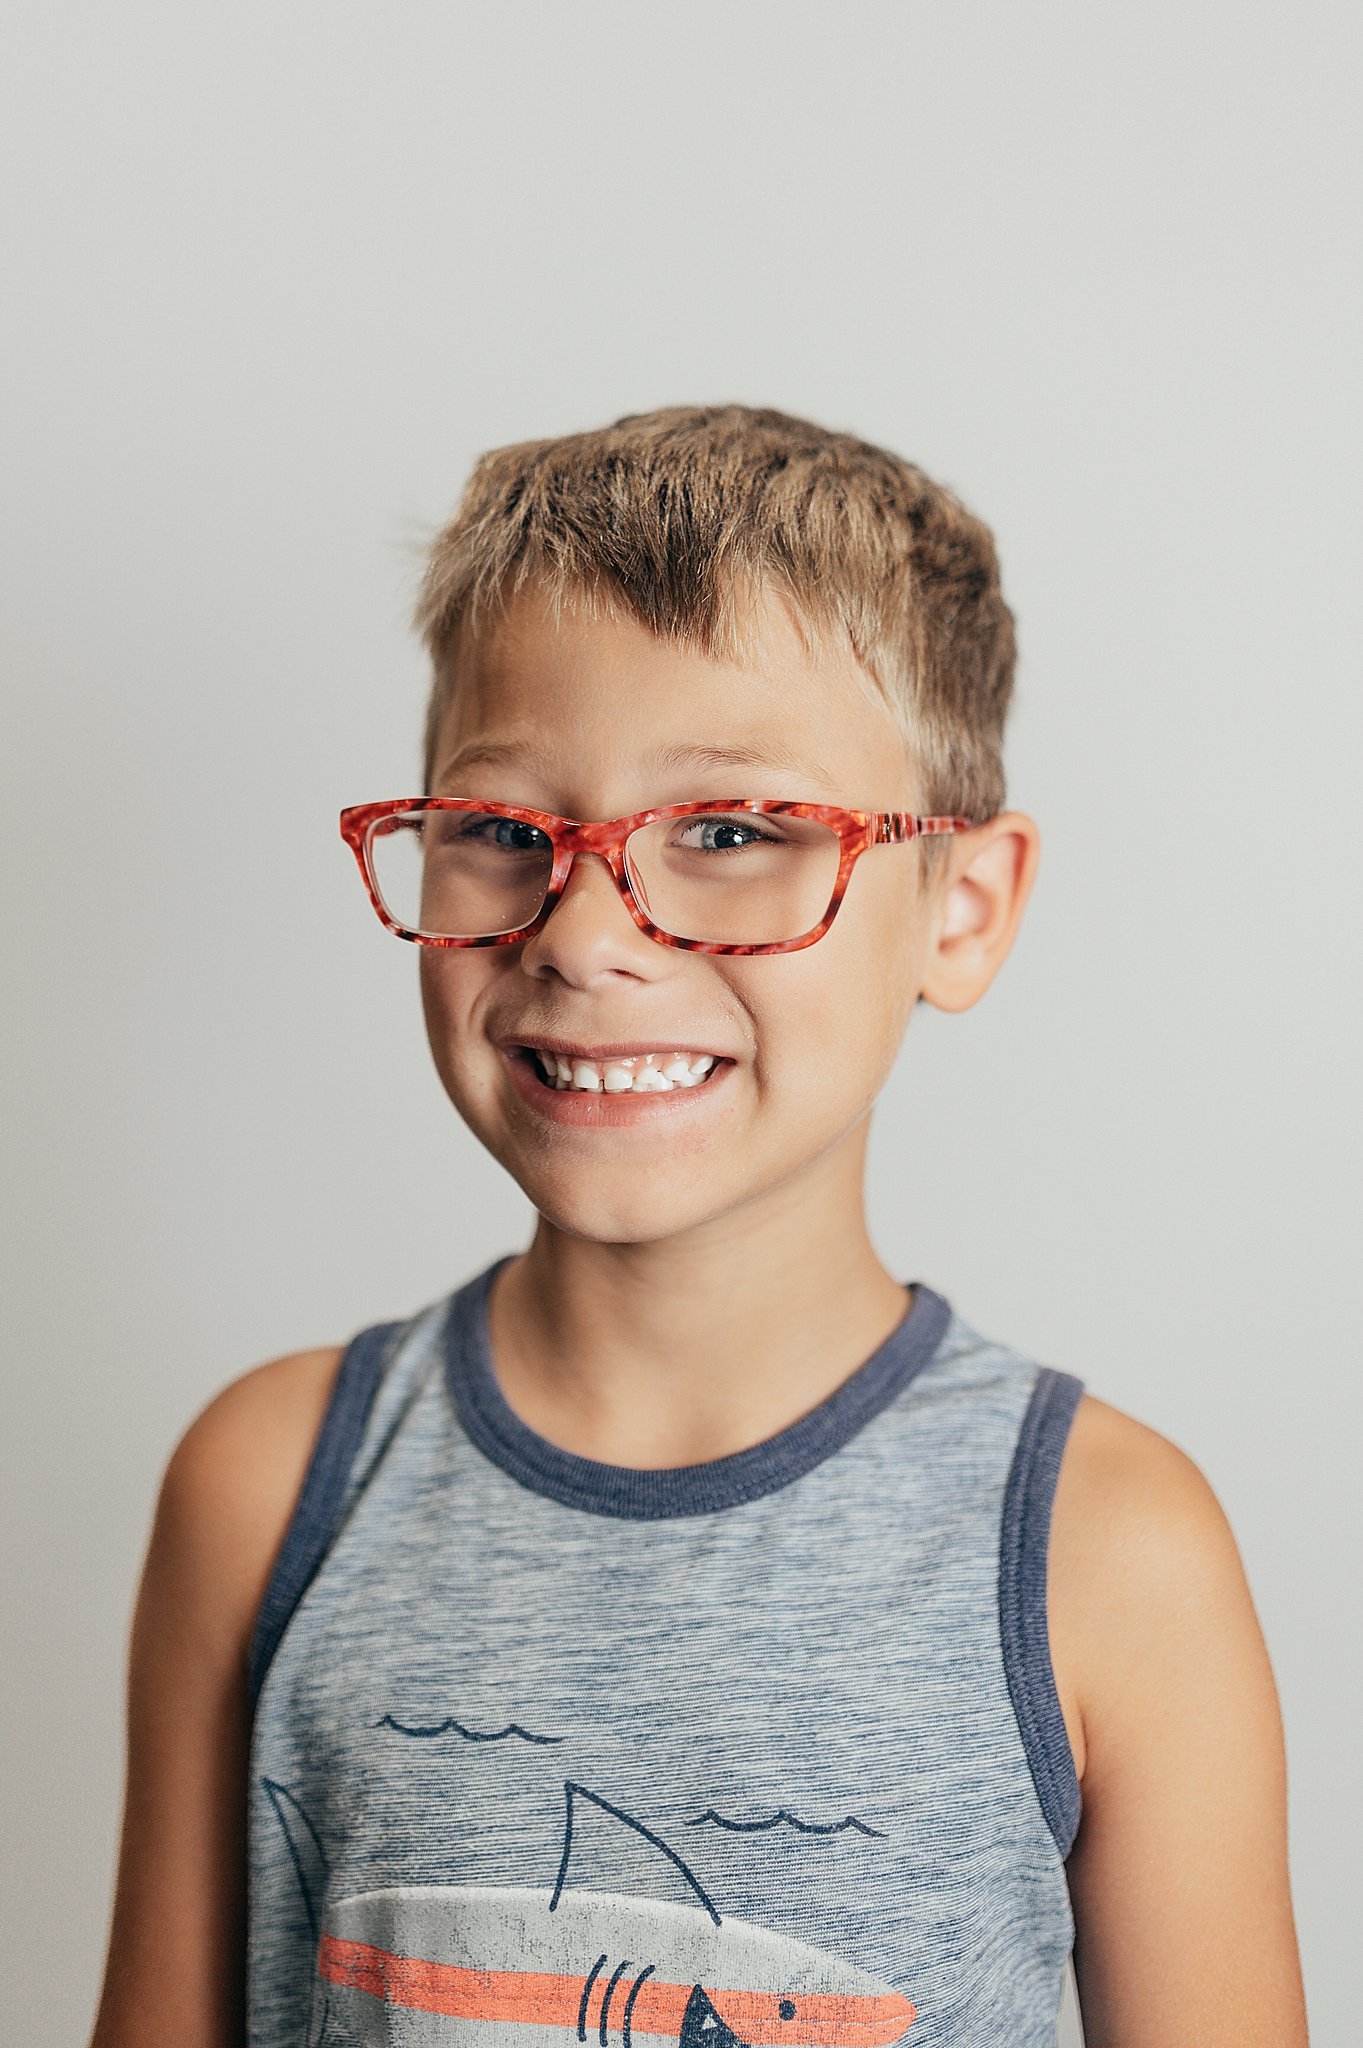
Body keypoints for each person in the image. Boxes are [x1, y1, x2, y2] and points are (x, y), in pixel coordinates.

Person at [89, 404, 1309, 2048]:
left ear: (962, 908)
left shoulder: (1115, 1551)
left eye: (731, 833)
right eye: (507, 832)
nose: (586, 935)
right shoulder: (266, 1486)